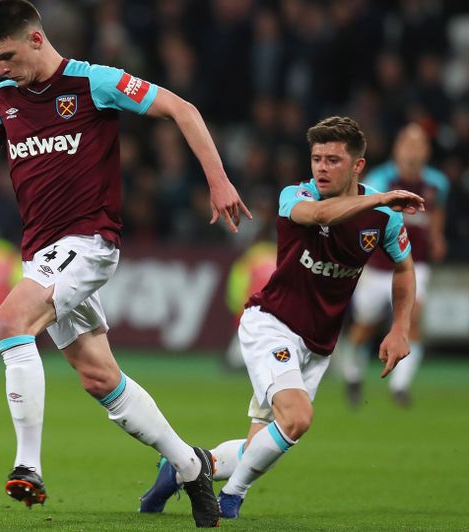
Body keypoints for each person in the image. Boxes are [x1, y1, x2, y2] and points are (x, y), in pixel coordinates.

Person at [0, 1, 249, 527]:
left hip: (89, 243)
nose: (0, 68)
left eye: (7, 56)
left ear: (36, 39)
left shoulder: (93, 82)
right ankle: (190, 466)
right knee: (98, 377)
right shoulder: (1, 100)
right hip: (42, 255)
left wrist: (218, 180)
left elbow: (183, 109)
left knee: (10, 322)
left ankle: (28, 465)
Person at [139, 116, 423, 519]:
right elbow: (321, 216)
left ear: (358, 166)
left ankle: (183, 467)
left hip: (318, 346)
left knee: (259, 445)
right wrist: (379, 199)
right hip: (272, 325)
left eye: (333, 160)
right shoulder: (297, 195)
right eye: (317, 158)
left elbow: (404, 267)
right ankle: (230, 499)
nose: (322, 168)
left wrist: (399, 327)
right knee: (298, 418)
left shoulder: (384, 218)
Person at [339, 124, 449, 408]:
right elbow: (363, 214)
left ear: (426, 151)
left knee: (414, 317)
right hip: (378, 266)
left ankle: (400, 386)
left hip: (413, 264)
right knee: (365, 326)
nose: (412, 151)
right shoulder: (380, 179)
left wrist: (437, 237)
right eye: (407, 144)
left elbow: (437, 211)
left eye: (418, 145)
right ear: (397, 149)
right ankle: (353, 375)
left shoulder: (437, 183)